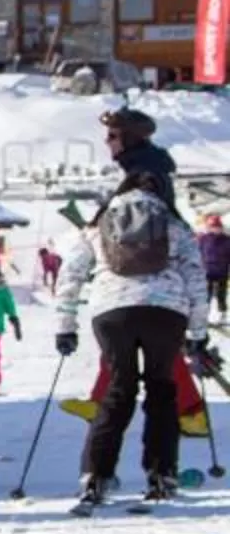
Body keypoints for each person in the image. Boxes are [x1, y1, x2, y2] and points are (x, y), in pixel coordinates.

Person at [57, 161, 206, 511]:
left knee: (117, 391)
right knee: (161, 389)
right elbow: (196, 277)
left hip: (112, 312)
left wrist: (66, 325)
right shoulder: (173, 225)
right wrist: (198, 332)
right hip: (166, 313)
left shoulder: (100, 224)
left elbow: (71, 273)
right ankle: (161, 475)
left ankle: (95, 477)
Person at [200, 214, 230, 321]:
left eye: (218, 227)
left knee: (221, 294)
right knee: (206, 295)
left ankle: (222, 313)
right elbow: (198, 252)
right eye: (213, 227)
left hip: (222, 271)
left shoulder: (227, 240)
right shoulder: (204, 239)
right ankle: (205, 315)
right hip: (207, 271)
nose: (216, 229)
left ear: (221, 227)